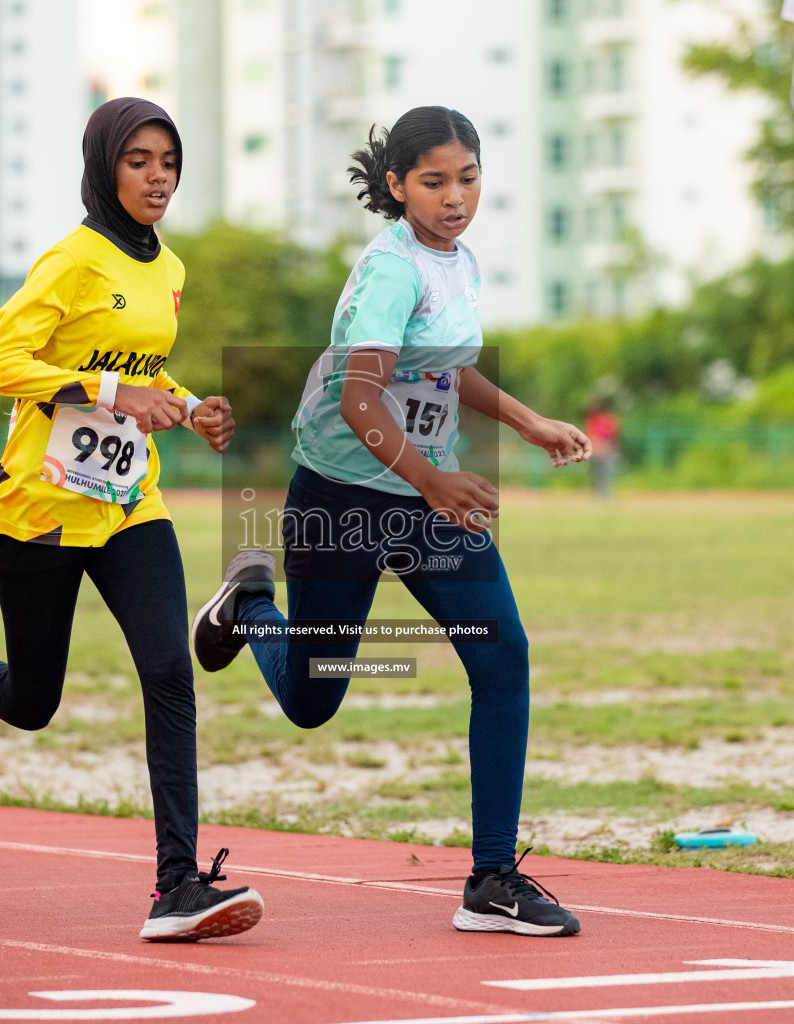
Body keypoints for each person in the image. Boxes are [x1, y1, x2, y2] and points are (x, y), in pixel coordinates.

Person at [0, 98, 263, 943]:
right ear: (104, 166)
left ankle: (178, 885)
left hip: (127, 506)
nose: (158, 178)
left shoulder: (170, 268)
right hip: (38, 508)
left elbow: (137, 366)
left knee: (168, 673)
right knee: (34, 701)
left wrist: (187, 406)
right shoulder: (71, 259)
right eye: (139, 161)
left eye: (170, 162)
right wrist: (116, 393)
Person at [191, 107, 590, 937]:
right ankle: (249, 609)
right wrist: (435, 480)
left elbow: (450, 366)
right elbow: (358, 395)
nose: (455, 197)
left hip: (424, 500)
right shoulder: (390, 272)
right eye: (436, 182)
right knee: (311, 702)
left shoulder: (461, 261)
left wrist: (527, 421)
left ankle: (490, 879)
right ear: (398, 185)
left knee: (503, 653)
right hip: (342, 498)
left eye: (469, 178)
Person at [583, 398, 620, 499]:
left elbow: (612, 435)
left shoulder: (608, 419)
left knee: (605, 474)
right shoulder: (591, 420)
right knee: (595, 474)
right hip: (595, 452)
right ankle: (597, 494)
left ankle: (605, 494)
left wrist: (606, 447)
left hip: (604, 452)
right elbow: (589, 436)